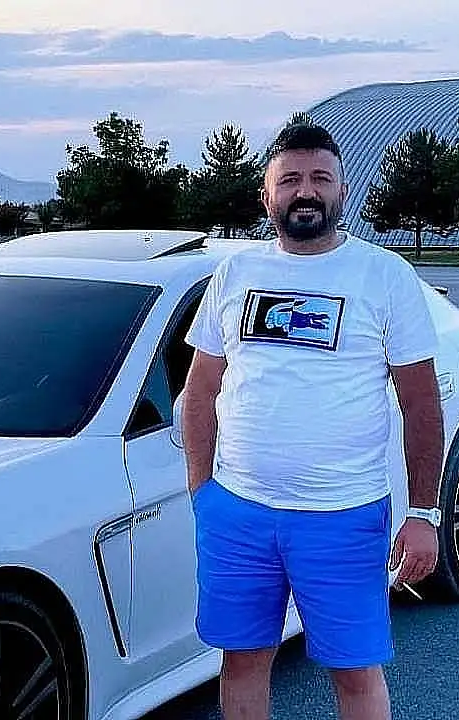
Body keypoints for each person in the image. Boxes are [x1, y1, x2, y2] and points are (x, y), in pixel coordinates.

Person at [179, 121, 445, 720]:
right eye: (290, 179)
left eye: (320, 178)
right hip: (238, 514)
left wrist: (424, 513)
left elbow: (421, 403)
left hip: (343, 516)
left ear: (341, 191)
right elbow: (200, 389)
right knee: (242, 661)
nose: (306, 191)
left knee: (354, 670)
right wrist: (203, 491)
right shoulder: (235, 274)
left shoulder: (383, 276)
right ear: (267, 196)